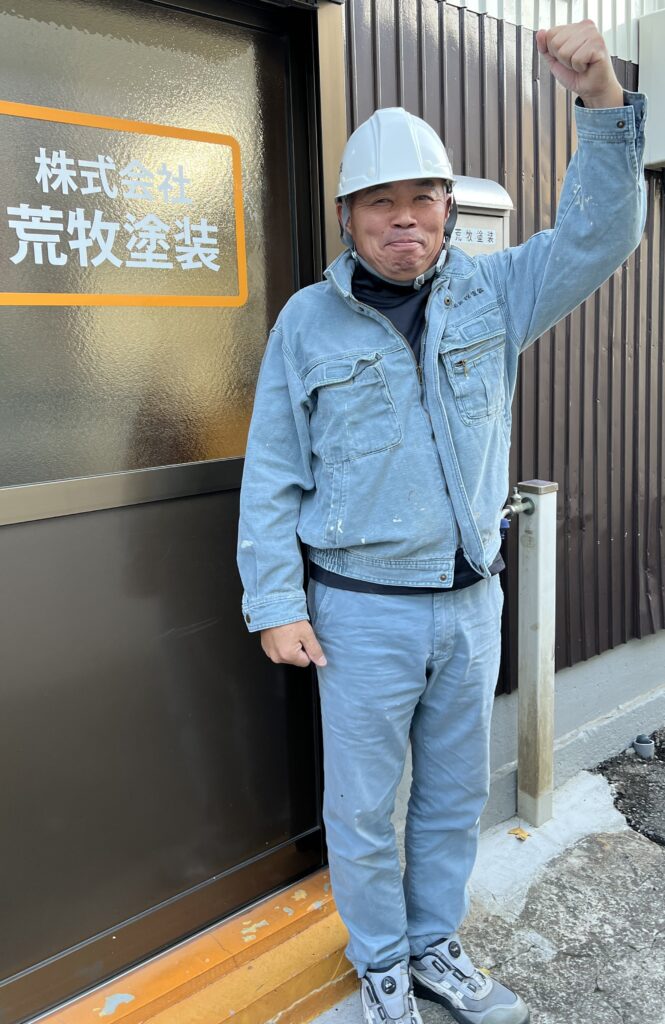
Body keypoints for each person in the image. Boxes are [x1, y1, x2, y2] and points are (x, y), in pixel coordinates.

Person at [237, 20, 646, 1024]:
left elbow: (599, 236)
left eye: (423, 197)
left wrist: (599, 95)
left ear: (446, 208)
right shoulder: (305, 324)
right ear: (347, 216)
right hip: (358, 611)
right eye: (381, 201)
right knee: (361, 805)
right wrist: (274, 601)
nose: (405, 219)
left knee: (454, 797)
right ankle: (380, 960)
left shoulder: (493, 295)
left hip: (468, 605)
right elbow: (273, 470)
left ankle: (433, 946)